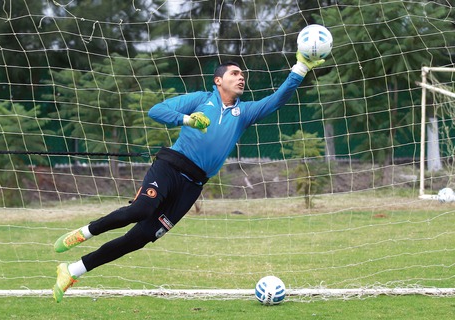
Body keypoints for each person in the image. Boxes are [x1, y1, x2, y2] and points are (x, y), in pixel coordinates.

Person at [52, 52, 324, 302]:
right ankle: (85, 232)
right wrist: (189, 120)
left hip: (192, 186)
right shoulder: (200, 99)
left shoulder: (244, 113)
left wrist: (300, 68)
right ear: (218, 81)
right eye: (234, 74)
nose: (241, 78)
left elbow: (278, 99)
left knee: (139, 238)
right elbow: (156, 111)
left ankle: (73, 270)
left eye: (243, 75)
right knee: (140, 209)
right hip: (169, 167)